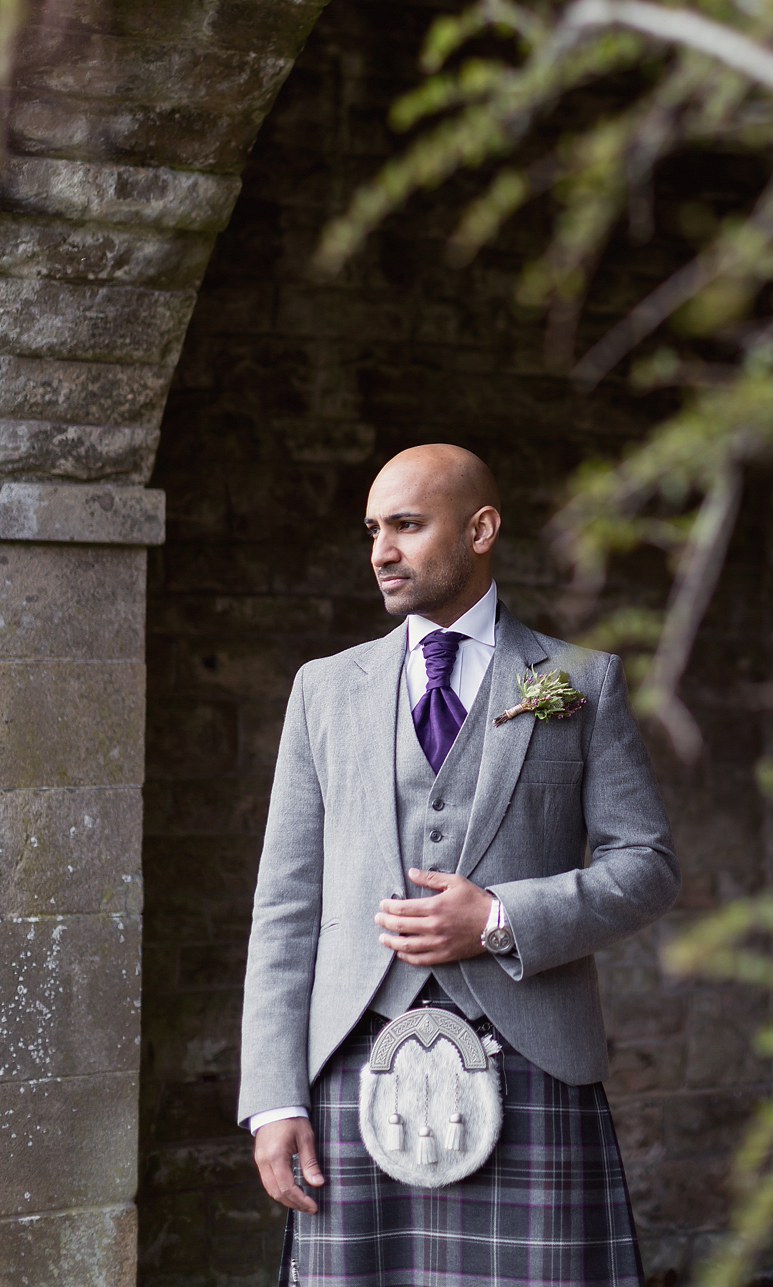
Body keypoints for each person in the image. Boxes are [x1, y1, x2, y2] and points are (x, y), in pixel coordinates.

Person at [239, 442, 681, 1287]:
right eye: (373, 529)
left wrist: (502, 918)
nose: (381, 551)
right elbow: (285, 906)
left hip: (535, 1058)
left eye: (407, 524)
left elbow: (649, 866)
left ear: (481, 529)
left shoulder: (581, 681)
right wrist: (275, 1100)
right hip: (353, 1060)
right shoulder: (323, 690)